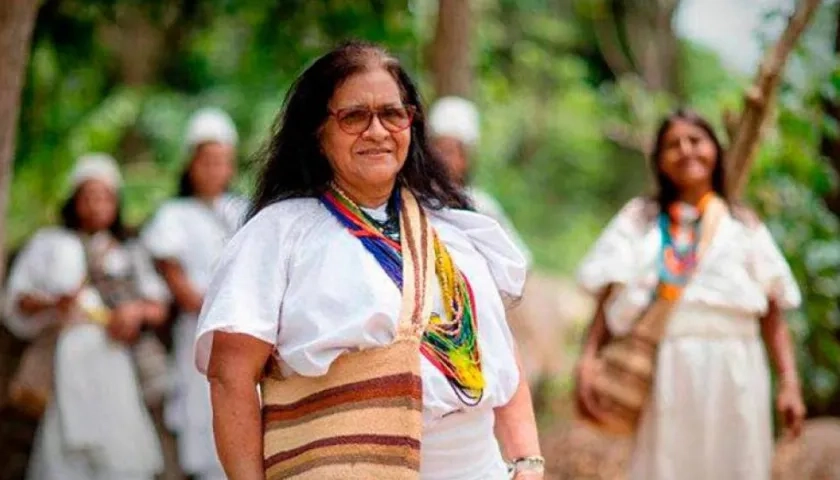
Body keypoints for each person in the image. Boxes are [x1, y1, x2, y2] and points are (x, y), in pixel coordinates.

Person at [193, 41, 544, 479]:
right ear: (317, 132)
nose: (377, 131)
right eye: (354, 116)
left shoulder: (455, 231)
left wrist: (527, 459)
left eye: (392, 114)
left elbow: (496, 350)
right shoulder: (279, 234)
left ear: (412, 123)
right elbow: (231, 376)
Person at [573, 109, 806, 480]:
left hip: (736, 366)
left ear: (715, 149)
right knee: (666, 466)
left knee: (736, 464)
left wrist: (789, 383)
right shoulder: (640, 218)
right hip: (665, 364)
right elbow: (607, 292)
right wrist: (587, 361)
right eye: (672, 145)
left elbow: (773, 310)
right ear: (659, 161)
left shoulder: (742, 222)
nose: (686, 151)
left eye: (695, 140)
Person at [4, 153, 166, 480]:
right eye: (88, 196)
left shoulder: (128, 250)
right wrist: (52, 305)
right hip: (66, 355)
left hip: (114, 357)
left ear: (116, 202)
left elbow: (158, 304)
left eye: (104, 197)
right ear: (74, 200)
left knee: (118, 439)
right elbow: (16, 302)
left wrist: (133, 312)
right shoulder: (49, 243)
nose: (96, 205)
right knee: (65, 439)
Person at [140, 107, 248, 480]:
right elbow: (177, 283)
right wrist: (222, 308)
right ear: (191, 164)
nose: (215, 170)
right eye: (207, 162)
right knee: (201, 417)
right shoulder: (173, 215)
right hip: (198, 330)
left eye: (222, 162)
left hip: (244, 332)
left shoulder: (243, 211)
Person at [428, 96, 532, 267]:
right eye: (436, 150)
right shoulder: (412, 201)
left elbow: (519, 262)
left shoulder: (482, 207)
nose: (441, 159)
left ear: (465, 159)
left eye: (449, 152)